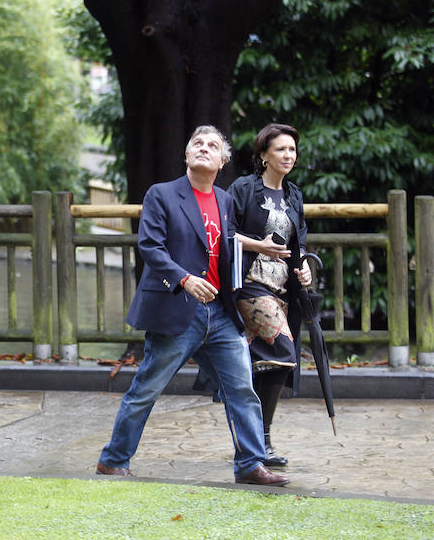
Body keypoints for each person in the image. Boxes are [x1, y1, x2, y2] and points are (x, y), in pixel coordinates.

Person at [96, 125, 289, 486]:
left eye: (212, 145)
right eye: (196, 144)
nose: (203, 148)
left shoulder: (225, 200)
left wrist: (260, 249)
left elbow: (226, 245)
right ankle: (113, 459)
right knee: (146, 389)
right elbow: (150, 246)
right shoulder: (162, 195)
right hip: (177, 310)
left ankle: (250, 464)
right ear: (186, 156)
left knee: (242, 389)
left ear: (222, 161)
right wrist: (184, 278)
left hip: (219, 313)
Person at [228, 122, 311, 467]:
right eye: (280, 149)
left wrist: (306, 267)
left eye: (292, 149)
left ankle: (256, 444)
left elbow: (299, 243)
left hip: (281, 290)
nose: (288, 155)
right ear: (263, 155)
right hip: (248, 283)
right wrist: (258, 244)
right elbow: (226, 232)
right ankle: (258, 443)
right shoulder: (244, 188)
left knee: (270, 364)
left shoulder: (294, 195)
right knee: (284, 349)